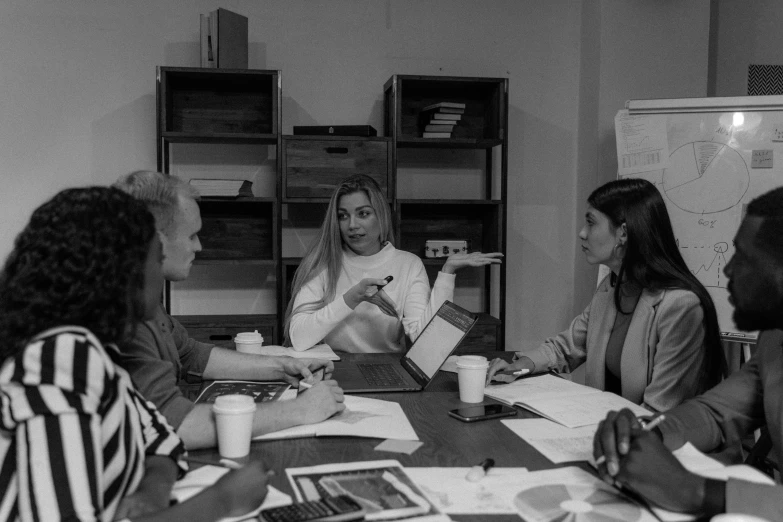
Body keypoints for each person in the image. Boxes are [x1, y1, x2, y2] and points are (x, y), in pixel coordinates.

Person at [0, 187, 268, 521]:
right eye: (157, 259)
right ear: (124, 272)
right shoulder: (61, 359)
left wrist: (151, 492)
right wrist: (221, 501)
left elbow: (162, 440)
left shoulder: (102, 356)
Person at [113, 171, 344, 450]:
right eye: (192, 235)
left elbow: (191, 355)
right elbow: (172, 426)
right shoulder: (121, 311)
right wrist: (301, 410)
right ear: (156, 240)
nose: (198, 246)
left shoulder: (140, 290)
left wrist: (282, 367)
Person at [593, 187, 783, 520]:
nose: (728, 270)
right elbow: (716, 411)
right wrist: (647, 433)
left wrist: (696, 491)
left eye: (747, 258)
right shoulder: (774, 336)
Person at [486, 178, 725, 412]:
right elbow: (565, 349)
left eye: (591, 223)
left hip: (670, 443)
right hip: (618, 432)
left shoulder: (681, 305)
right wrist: (518, 368)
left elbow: (660, 409)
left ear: (623, 233)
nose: (582, 233)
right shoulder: (610, 288)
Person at [284, 174, 503, 353]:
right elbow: (299, 339)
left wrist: (447, 274)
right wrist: (353, 297)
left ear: (381, 215)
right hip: (334, 372)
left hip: (387, 369)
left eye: (363, 214)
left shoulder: (408, 264)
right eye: (343, 216)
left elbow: (427, 344)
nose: (352, 225)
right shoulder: (323, 263)